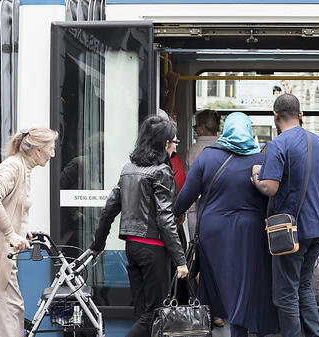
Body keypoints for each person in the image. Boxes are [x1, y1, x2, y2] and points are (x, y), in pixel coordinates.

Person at [173, 112, 279, 337]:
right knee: (245, 284)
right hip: (251, 233)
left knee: (215, 283)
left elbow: (185, 197)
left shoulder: (206, 157)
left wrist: (174, 214)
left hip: (213, 233)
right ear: (249, 131)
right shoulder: (260, 159)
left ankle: (207, 326)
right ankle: (241, 331)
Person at [89, 115, 188, 337]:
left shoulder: (128, 169)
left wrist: (97, 244)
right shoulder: (161, 171)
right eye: (174, 141)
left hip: (132, 248)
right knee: (154, 313)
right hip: (153, 249)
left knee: (141, 311)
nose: (175, 146)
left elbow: (109, 209)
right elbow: (165, 217)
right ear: (165, 144)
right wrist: (180, 260)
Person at [252, 94, 319, 337]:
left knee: (285, 293)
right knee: (304, 286)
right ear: (300, 115)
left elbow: (270, 188)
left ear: (276, 116)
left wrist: (257, 177)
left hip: (291, 232)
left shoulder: (278, 145)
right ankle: (315, 334)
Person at [0, 127, 58, 337]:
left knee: (0, 318)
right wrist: (10, 234)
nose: (53, 154)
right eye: (50, 149)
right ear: (37, 151)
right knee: (11, 313)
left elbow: (11, 205)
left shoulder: (23, 169)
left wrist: (21, 230)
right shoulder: (13, 167)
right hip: (0, 255)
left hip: (5, 256)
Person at [186, 109, 220, 240]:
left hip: (197, 208)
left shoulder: (194, 149)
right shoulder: (224, 145)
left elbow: (190, 183)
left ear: (201, 128)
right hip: (220, 209)